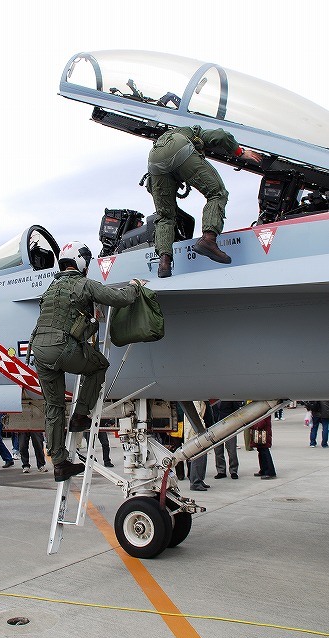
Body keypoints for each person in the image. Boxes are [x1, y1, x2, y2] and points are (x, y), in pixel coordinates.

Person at [30, 241, 144, 482]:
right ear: (81, 262)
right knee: (99, 365)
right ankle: (80, 415)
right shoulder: (83, 284)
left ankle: (59, 463)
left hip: (39, 350)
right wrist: (134, 286)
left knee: (53, 406)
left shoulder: (50, 288)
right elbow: (119, 298)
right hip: (62, 347)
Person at [147, 125, 262, 276]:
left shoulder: (161, 142)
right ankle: (208, 240)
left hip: (154, 162)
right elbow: (221, 135)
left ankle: (164, 264)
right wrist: (240, 152)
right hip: (180, 149)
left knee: (165, 216)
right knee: (217, 193)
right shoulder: (194, 133)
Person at [186, 400, 214, 491]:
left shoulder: (201, 399)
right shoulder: (195, 400)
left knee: (202, 457)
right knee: (198, 457)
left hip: (201, 431)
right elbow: (196, 416)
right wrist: (202, 429)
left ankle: (199, 480)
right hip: (197, 432)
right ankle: (195, 482)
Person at [213, 400, 243, 479]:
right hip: (216, 426)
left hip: (229, 426)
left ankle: (233, 470)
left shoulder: (229, 397)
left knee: (232, 450)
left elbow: (236, 410)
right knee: (218, 450)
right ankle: (221, 471)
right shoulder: (212, 397)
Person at [250, 414, 277, 479]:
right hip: (262, 434)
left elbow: (261, 424)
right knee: (261, 452)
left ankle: (270, 472)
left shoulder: (264, 412)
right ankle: (264, 470)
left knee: (265, 452)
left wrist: (253, 425)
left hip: (264, 434)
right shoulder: (261, 412)